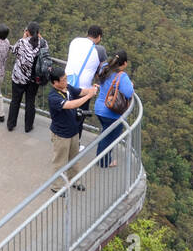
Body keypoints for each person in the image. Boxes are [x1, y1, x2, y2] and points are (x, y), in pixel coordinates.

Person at [48, 65, 96, 194]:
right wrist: (88, 97)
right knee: (60, 161)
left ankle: (74, 180)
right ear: (55, 83)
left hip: (73, 130)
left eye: (66, 78)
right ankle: (56, 186)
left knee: (74, 158)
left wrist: (92, 90)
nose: (66, 82)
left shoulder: (68, 88)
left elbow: (80, 91)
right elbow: (71, 105)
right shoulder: (53, 97)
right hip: (61, 134)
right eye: (63, 80)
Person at [93, 50, 134, 168]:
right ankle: (104, 162)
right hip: (111, 113)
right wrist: (131, 85)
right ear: (125, 63)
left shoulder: (105, 67)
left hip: (99, 108)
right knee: (109, 139)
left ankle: (102, 159)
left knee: (106, 134)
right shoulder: (122, 76)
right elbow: (128, 93)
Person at [7, 23, 48, 133]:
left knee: (15, 101)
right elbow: (46, 55)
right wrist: (41, 38)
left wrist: (23, 37)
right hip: (33, 79)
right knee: (30, 102)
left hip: (19, 77)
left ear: (27, 32)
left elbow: (14, 51)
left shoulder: (22, 42)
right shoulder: (43, 43)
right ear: (38, 33)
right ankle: (28, 127)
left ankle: (11, 125)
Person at [65, 25, 105, 141]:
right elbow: (103, 70)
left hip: (67, 83)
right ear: (98, 37)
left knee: (67, 114)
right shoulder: (100, 50)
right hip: (84, 90)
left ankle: (66, 140)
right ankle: (75, 145)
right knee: (79, 117)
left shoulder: (75, 41)